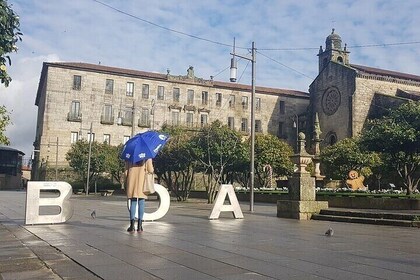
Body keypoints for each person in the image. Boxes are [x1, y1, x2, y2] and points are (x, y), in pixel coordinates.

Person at [125, 158, 154, 232]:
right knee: (141, 202)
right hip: (142, 181)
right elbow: (150, 170)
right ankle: (140, 226)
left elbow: (126, 172)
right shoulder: (147, 156)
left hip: (132, 181)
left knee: (133, 202)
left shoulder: (130, 156)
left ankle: (132, 226)